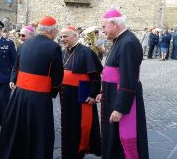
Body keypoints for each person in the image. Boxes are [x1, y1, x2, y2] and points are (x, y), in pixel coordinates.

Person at [0, 16, 63, 159]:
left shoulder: (25, 44)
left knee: (18, 129)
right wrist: (52, 92)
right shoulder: (55, 47)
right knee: (39, 132)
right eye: (56, 30)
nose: (57, 32)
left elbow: (17, 66)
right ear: (51, 31)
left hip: (20, 95)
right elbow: (57, 78)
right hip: (40, 97)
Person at [96, 9, 149, 159]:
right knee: (113, 136)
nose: (103, 31)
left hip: (122, 98)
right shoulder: (120, 39)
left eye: (104, 27)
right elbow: (112, 71)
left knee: (121, 138)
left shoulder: (128, 42)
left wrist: (120, 109)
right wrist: (104, 92)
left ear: (113, 24)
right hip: (113, 95)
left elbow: (128, 79)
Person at [59, 26, 102, 158]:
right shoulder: (63, 51)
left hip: (82, 91)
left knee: (81, 124)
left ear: (75, 36)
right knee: (66, 124)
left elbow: (95, 76)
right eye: (60, 37)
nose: (62, 39)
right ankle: (67, 153)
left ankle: (79, 151)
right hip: (65, 93)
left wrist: (93, 95)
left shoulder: (86, 52)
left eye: (65, 36)